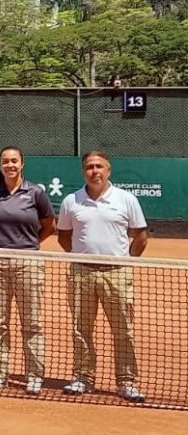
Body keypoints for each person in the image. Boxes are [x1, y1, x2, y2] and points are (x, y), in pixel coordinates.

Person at [58, 150, 148, 403]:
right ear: (83, 171)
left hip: (117, 274)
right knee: (81, 329)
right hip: (81, 274)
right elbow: (63, 237)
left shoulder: (126, 199)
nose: (94, 171)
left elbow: (141, 237)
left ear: (108, 170)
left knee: (123, 330)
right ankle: (83, 378)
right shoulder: (71, 201)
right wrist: (81, 257)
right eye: (89, 167)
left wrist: (125, 261)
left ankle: (126, 381)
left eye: (99, 166)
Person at [0, 146, 54, 395]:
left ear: (22, 163)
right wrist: (1, 245)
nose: (10, 165)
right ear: (0, 164)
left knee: (32, 322)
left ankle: (34, 375)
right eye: (5, 161)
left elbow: (48, 225)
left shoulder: (36, 192)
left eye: (14, 161)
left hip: (28, 262)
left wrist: (28, 245)